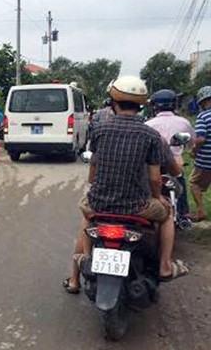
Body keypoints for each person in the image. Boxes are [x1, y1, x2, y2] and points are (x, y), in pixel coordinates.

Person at [63, 76, 189, 294]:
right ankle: (165, 266)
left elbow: (92, 176)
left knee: (87, 215)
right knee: (167, 214)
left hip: (100, 204)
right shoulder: (150, 134)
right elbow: (154, 178)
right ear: (141, 105)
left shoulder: (100, 130)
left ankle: (75, 278)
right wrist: (157, 197)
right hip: (138, 206)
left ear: (113, 102)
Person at [145, 89, 195, 220]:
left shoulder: (148, 124)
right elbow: (192, 143)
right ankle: (183, 215)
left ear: (154, 106)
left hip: (153, 164)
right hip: (175, 163)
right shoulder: (184, 122)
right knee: (180, 183)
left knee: (148, 188)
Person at [189, 86, 211, 222]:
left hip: (206, 161)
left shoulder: (203, 116)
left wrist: (194, 151)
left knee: (194, 183)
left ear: (203, 102)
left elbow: (201, 138)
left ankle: (201, 211)